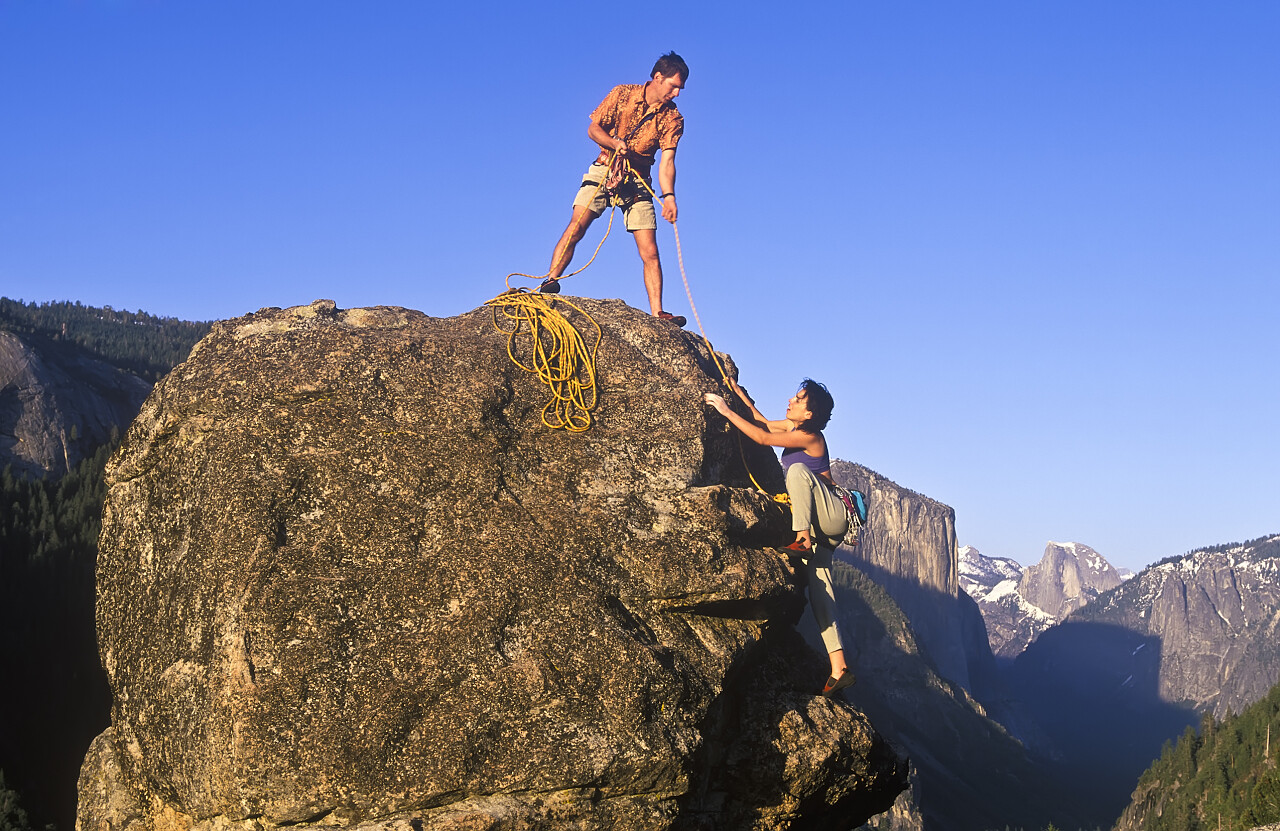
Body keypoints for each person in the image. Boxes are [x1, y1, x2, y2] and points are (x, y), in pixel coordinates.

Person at [703, 378, 856, 696]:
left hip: (829, 517)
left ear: (810, 413)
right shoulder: (796, 427)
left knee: (798, 472)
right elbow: (765, 424)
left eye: (799, 399)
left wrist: (724, 409)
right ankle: (839, 669)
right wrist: (744, 400)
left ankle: (801, 538)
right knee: (820, 591)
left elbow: (761, 438)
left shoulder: (810, 436)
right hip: (822, 526)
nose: (791, 400)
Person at [539, 52, 689, 327]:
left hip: (638, 180)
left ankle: (658, 312)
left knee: (650, 251)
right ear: (658, 78)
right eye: (674, 86)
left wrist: (669, 197)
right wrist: (612, 142)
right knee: (577, 225)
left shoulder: (673, 119)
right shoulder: (622, 94)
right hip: (605, 168)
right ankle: (550, 281)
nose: (677, 93)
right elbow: (593, 129)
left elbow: (667, 162)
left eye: (680, 88)